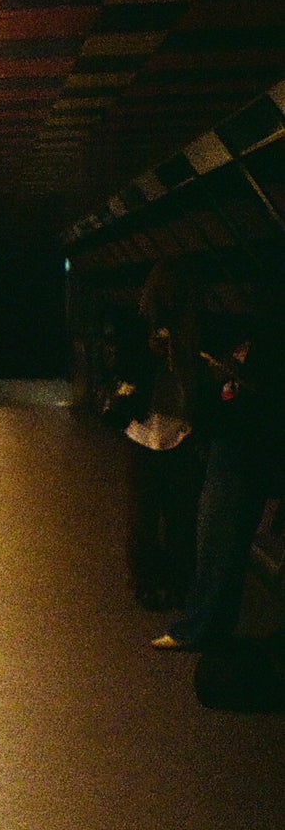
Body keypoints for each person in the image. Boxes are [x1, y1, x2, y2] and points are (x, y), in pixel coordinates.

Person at [154, 270, 285, 652]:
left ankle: (202, 625)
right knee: (218, 531)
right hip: (250, 432)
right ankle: (204, 623)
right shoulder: (255, 325)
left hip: (251, 436)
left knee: (218, 530)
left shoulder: (259, 326)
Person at [107, 261, 204, 610]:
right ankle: (178, 582)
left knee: (144, 514)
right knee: (178, 512)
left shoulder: (137, 325)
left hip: (145, 431)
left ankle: (148, 581)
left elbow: (123, 373)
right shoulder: (193, 329)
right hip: (179, 431)